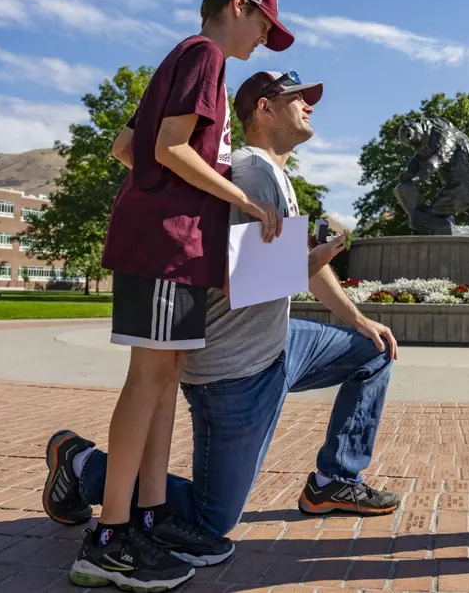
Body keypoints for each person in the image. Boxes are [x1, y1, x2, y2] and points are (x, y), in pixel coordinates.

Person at [42, 70, 401, 568]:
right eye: (298, 98)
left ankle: (334, 481)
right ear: (263, 110)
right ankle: (82, 465)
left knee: (372, 352)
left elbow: (297, 268)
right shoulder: (249, 174)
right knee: (211, 521)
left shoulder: (275, 175)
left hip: (279, 344)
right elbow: (234, 283)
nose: (310, 106)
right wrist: (312, 261)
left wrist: (359, 320)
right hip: (233, 370)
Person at [42, 0, 294, 591]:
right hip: (166, 246)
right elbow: (165, 148)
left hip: (176, 246)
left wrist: (177, 183)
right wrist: (245, 200)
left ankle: (147, 515)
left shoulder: (192, 59)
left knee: (165, 378)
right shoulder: (204, 54)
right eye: (264, 23)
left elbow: (128, 146)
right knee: (149, 380)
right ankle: (109, 537)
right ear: (240, 7)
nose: (265, 37)